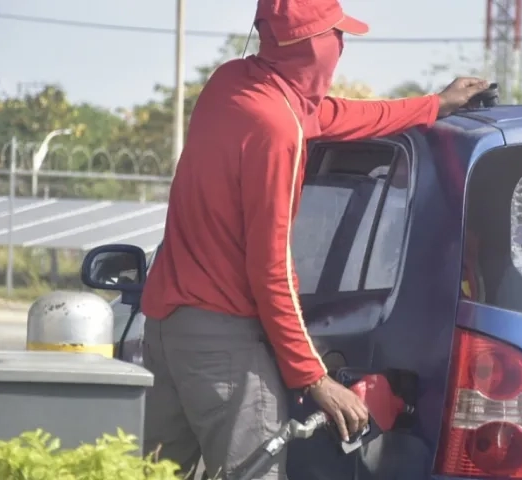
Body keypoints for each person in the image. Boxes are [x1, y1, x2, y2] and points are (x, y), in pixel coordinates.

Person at [138, 0, 489, 478]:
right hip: (223, 345)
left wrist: (433, 105)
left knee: (150, 472)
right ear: (309, 47)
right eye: (335, 35)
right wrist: (314, 378)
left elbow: (327, 115)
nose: (342, 46)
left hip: (166, 326)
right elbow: (273, 270)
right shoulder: (276, 131)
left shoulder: (234, 84)